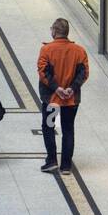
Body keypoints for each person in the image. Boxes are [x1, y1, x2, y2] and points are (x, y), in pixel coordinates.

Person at [36, 18, 90, 174]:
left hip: (52, 100)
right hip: (71, 101)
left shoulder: (47, 50)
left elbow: (43, 72)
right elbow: (84, 73)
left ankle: (51, 160)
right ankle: (66, 166)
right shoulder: (79, 51)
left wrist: (57, 88)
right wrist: (71, 89)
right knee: (68, 129)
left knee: (49, 127)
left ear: (54, 31)